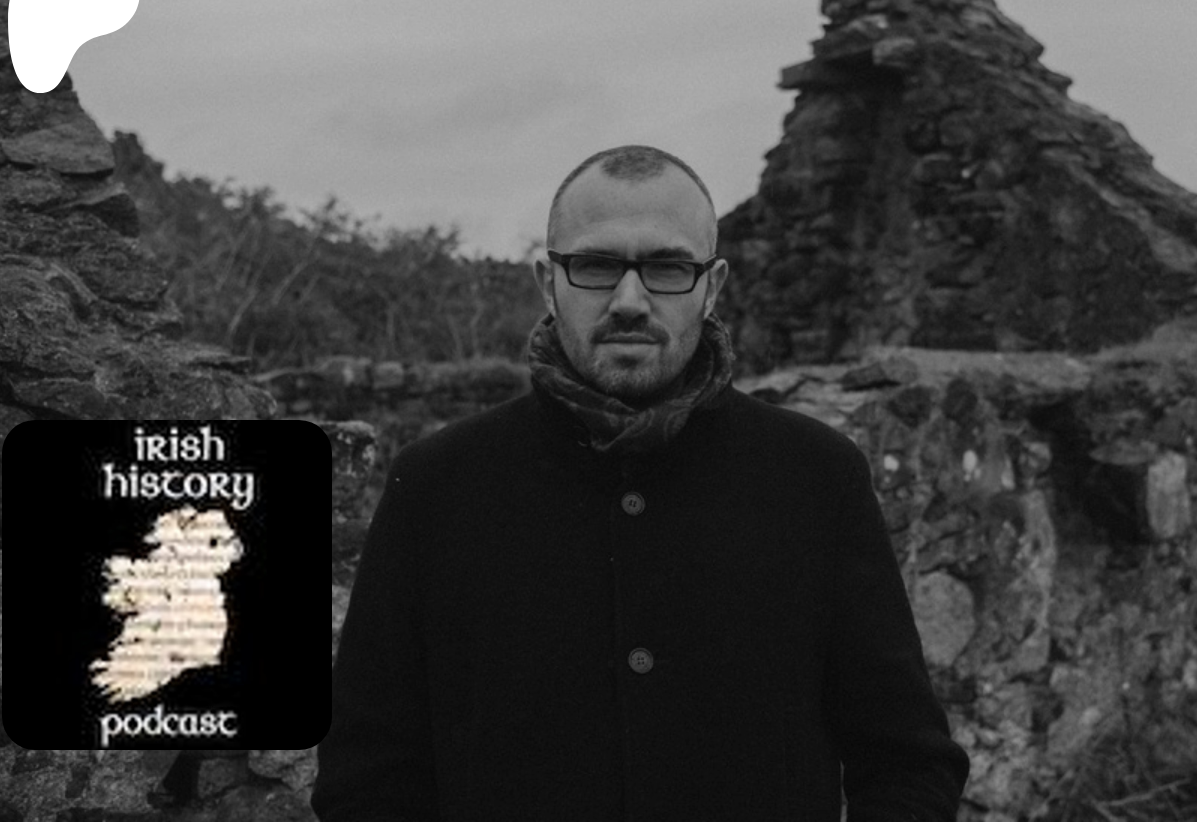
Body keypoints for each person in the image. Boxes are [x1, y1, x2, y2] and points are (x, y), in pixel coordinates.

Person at [313, 145, 970, 821]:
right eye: (597, 266)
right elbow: (366, 777)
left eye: (667, 267)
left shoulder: (816, 476)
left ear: (712, 287)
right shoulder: (435, 486)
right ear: (548, 282)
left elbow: (908, 762)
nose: (630, 301)